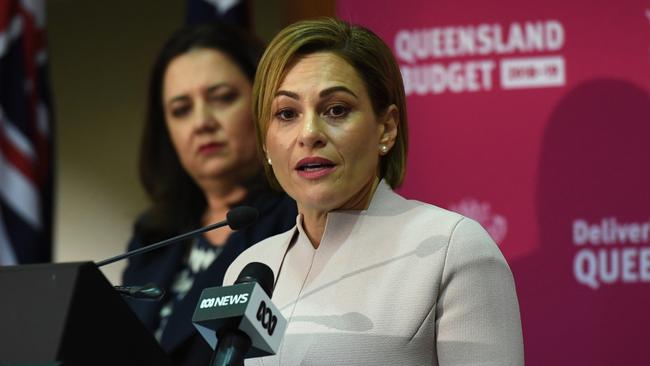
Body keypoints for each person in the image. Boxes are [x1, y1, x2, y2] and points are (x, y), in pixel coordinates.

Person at [224, 18, 524, 365]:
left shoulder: (451, 249)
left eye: (336, 110)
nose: (309, 133)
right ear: (265, 143)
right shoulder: (248, 270)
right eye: (287, 113)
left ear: (387, 129)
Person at [122, 22, 297, 366]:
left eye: (222, 98)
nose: (202, 122)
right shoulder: (152, 236)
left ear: (266, 103)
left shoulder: (299, 220)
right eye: (181, 109)